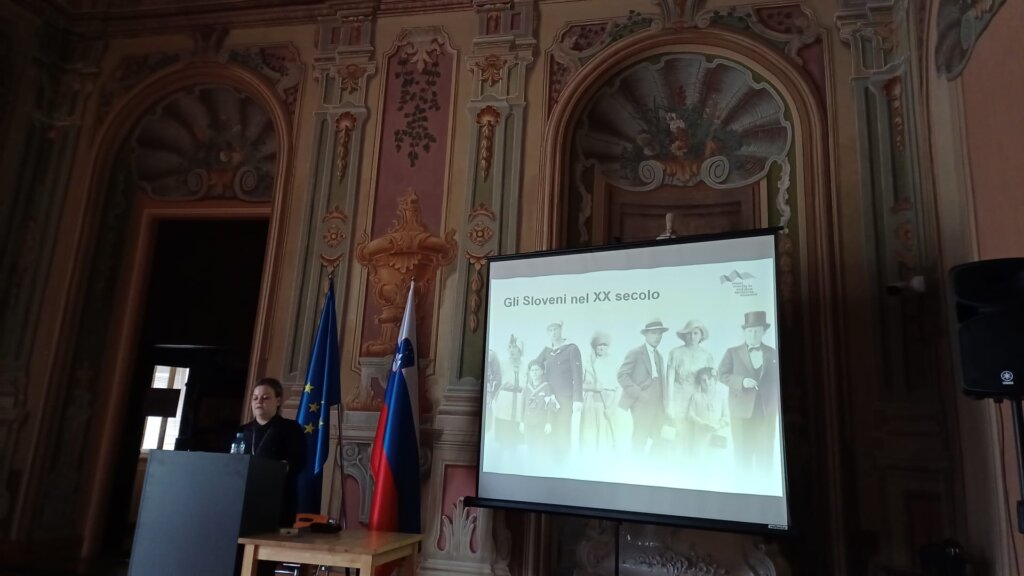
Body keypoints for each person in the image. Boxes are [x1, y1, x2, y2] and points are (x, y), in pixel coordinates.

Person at [718, 311, 780, 478]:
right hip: (741, 411)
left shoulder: (773, 353)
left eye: (757, 331)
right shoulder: (732, 352)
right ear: (744, 332)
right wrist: (741, 381)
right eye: (750, 331)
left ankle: (764, 487)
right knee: (742, 454)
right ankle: (743, 484)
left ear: (763, 332)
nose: (753, 334)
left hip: (766, 410)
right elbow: (721, 375)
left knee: (765, 453)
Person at [238, 377, 307, 526]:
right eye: (255, 398)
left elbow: (299, 462)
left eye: (265, 397)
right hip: (245, 499)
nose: (259, 401)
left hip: (278, 500)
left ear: (278, 401)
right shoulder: (242, 431)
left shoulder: (291, 429)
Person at [617, 319, 669, 456]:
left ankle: (653, 466)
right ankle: (636, 464)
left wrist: (664, 404)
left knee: (660, 437)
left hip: (658, 403)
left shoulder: (659, 356)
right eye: (653, 333)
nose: (657, 337)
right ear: (646, 335)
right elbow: (622, 375)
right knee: (641, 436)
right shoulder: (635, 353)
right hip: (641, 401)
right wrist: (638, 394)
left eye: (660, 333)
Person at [665, 319, 715, 458]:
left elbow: (709, 383)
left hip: (697, 399)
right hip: (678, 398)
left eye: (695, 333)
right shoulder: (675, 353)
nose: (692, 337)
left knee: (696, 435)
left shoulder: (707, 356)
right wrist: (669, 405)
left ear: (701, 335)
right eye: (689, 333)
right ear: (684, 335)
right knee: (678, 434)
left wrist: (709, 403)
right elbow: (669, 381)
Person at [533, 321, 583, 459]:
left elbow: (577, 375)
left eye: (555, 329)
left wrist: (577, 399)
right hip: (548, 397)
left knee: (562, 432)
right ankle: (549, 463)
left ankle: (562, 463)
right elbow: (534, 366)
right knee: (548, 430)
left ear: (561, 330)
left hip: (565, 398)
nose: (553, 332)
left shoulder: (571, 349)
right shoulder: (547, 350)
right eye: (550, 330)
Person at [580, 331, 619, 453]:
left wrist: (612, 406)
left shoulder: (613, 362)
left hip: (607, 403)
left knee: (606, 438)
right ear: (594, 346)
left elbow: (618, 387)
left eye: (604, 345)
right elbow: (579, 385)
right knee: (590, 437)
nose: (601, 348)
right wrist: (593, 387)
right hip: (591, 404)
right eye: (599, 345)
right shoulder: (588, 361)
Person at [491, 335, 526, 461]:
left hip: (518, 405)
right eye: (510, 347)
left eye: (514, 347)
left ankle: (513, 463)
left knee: (514, 441)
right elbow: (495, 380)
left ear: (520, 349)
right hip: (504, 405)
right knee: (503, 439)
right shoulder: (502, 364)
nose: (512, 350)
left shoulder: (526, 366)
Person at [687, 366, 730, 467]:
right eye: (703, 380)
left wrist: (718, 426)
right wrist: (702, 424)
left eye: (709, 379)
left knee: (714, 463)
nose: (707, 382)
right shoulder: (696, 397)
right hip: (700, 436)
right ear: (700, 383)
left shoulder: (721, 397)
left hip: (716, 435)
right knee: (699, 462)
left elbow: (727, 418)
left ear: (714, 379)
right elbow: (690, 415)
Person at [521, 359, 556, 466]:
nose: (534, 372)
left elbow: (550, 406)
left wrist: (549, 423)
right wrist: (521, 422)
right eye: (532, 370)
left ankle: (539, 469)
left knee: (540, 450)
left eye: (537, 370)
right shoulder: (526, 388)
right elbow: (522, 406)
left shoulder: (547, 387)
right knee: (529, 449)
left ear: (542, 371)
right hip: (528, 423)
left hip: (540, 424)